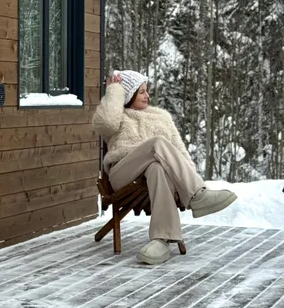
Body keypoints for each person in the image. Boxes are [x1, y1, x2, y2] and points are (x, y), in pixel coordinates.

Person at [93, 70, 237, 265]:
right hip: (122, 174)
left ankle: (161, 240)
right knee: (157, 143)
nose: (147, 96)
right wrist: (114, 91)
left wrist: (186, 175)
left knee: (156, 169)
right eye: (142, 91)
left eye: (147, 91)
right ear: (129, 94)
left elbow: (179, 150)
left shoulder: (161, 118)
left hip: (150, 177)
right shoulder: (117, 116)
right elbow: (105, 124)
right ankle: (198, 195)